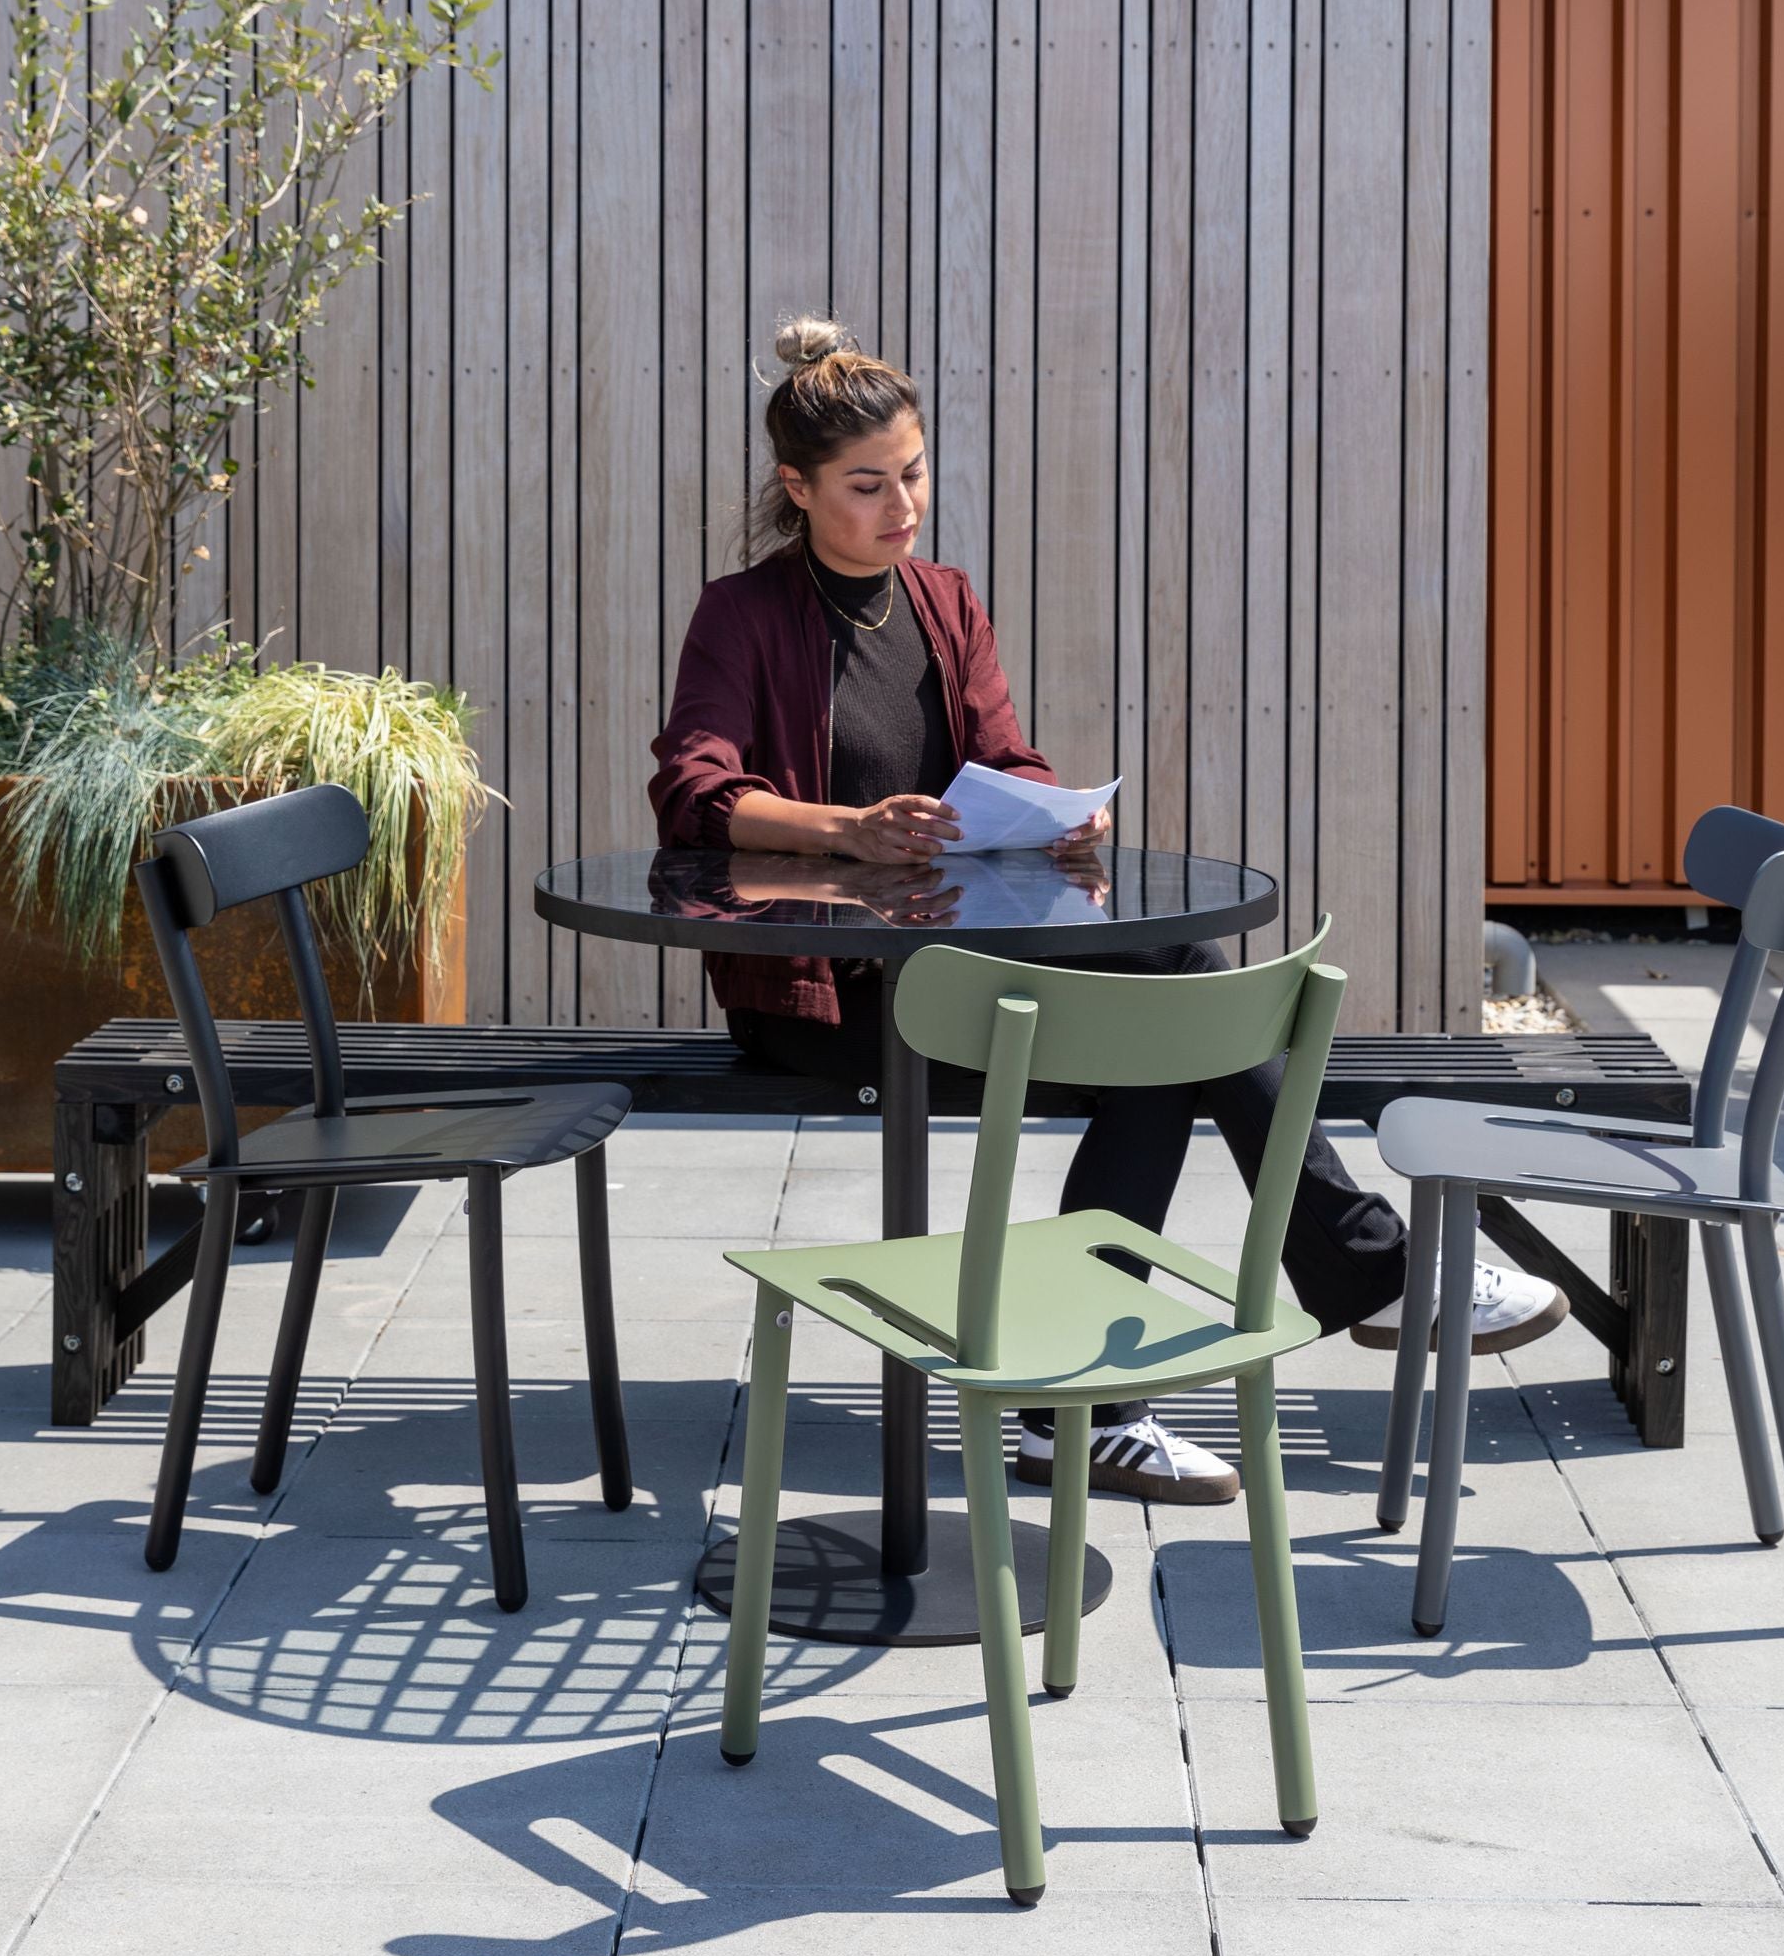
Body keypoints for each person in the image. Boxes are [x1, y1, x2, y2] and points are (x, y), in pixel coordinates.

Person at [647, 319, 1568, 1505]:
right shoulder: (743, 614)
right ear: (798, 487)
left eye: (913, 474)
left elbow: (1004, 757)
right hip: (828, 998)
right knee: (1179, 992)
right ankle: (1342, 1289)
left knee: (1165, 1036)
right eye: (867, 486)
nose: (902, 506)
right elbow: (695, 789)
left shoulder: (942, 602)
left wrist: (1056, 815)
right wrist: (847, 828)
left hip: (971, 973)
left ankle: (1092, 1411)